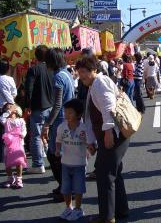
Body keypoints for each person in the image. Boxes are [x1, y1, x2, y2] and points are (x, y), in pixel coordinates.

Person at [76, 56, 129, 223]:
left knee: (105, 174)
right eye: (79, 72)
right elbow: (91, 117)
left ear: (94, 70)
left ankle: (107, 216)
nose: (81, 75)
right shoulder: (94, 84)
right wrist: (91, 140)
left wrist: (108, 133)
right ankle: (120, 211)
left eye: (84, 72)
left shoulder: (100, 82)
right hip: (111, 133)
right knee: (113, 172)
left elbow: (108, 108)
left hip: (114, 133)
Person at [42, 48, 75, 202]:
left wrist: (47, 124)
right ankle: (66, 186)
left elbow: (57, 105)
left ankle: (65, 187)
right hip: (69, 119)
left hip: (61, 120)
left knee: (54, 155)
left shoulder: (58, 77)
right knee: (64, 156)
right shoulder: (67, 73)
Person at [55, 99, 96, 221]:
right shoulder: (62, 127)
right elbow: (58, 140)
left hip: (79, 163)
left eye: (70, 113)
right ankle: (68, 207)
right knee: (65, 188)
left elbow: (91, 147)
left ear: (79, 114)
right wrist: (58, 150)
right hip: (65, 163)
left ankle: (78, 209)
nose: (66, 115)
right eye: (65, 112)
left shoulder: (84, 129)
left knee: (78, 187)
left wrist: (91, 148)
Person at [24, 45, 54, 174]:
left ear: (36, 56)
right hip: (52, 106)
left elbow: (28, 89)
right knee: (51, 135)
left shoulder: (33, 70)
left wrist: (27, 105)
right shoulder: (52, 69)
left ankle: (38, 164)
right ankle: (54, 161)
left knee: (36, 135)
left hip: (38, 106)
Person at [0, 103, 27, 189]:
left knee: (19, 162)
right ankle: (10, 178)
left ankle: (19, 179)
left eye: (12, 107)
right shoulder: (6, 121)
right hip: (9, 144)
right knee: (8, 163)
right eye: (8, 109)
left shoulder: (21, 120)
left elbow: (24, 130)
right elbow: (1, 118)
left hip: (19, 144)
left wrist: (22, 134)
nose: (11, 109)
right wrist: (8, 111)